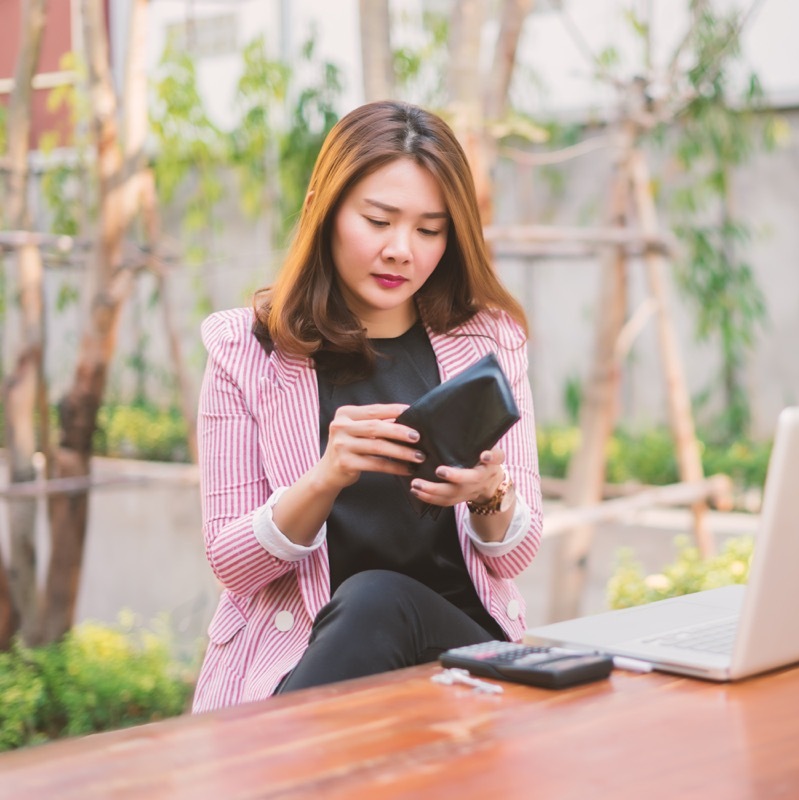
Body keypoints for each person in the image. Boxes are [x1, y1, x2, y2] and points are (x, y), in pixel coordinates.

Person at [191, 101, 542, 713]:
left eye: (429, 230)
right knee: (368, 603)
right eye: (378, 220)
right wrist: (325, 478)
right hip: (308, 661)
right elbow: (233, 564)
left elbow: (514, 552)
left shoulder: (488, 341)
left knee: (380, 597)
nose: (402, 250)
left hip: (458, 648)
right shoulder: (246, 351)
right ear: (324, 213)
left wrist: (488, 491)